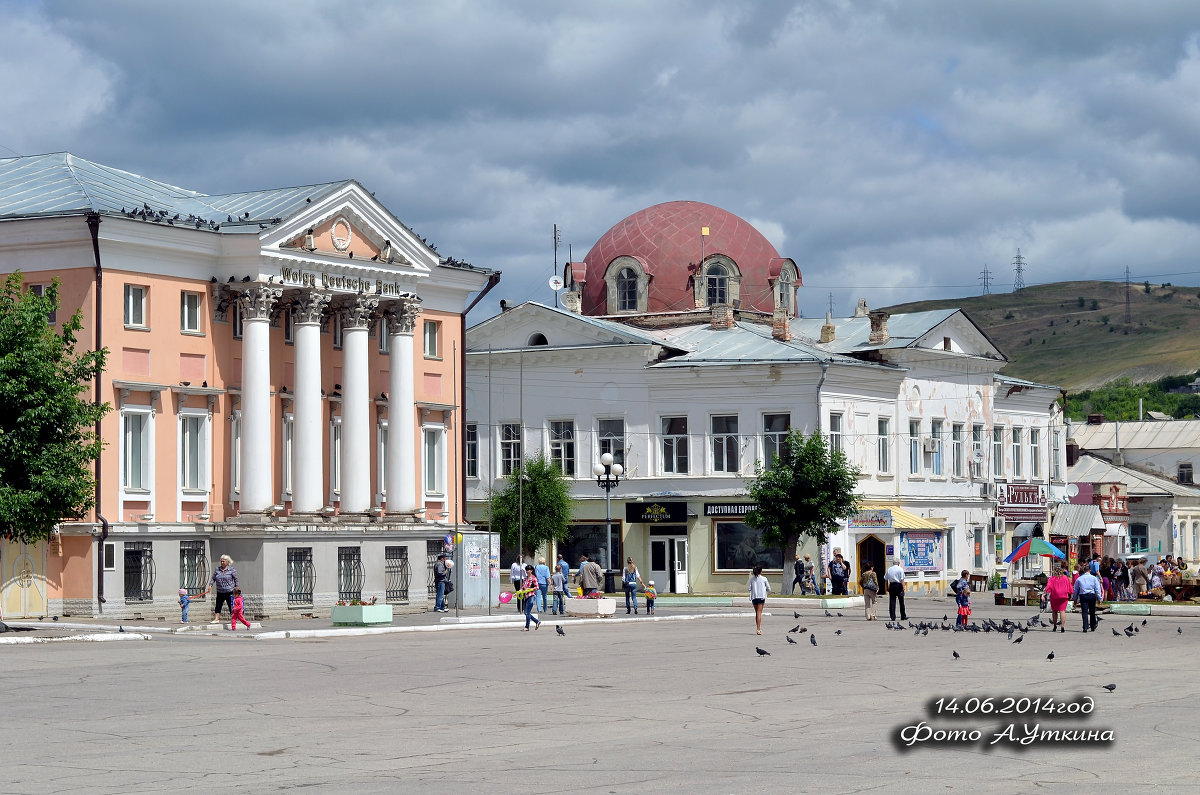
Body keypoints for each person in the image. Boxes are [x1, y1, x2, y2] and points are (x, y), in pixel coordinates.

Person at [1073, 564, 1103, 632]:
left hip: (1083, 596)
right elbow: (1097, 589)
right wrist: (1099, 598)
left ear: (1084, 570)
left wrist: (1075, 598)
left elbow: (1076, 589)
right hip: (1092, 595)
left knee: (1084, 612)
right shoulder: (1094, 578)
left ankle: (1085, 627)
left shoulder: (1079, 579)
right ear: (1090, 570)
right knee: (1092, 612)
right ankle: (1092, 626)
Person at [208, 555, 238, 623]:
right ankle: (216, 619)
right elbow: (213, 578)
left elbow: (236, 579)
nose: (222, 562)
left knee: (231, 605)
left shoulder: (231, 570)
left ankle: (233, 619)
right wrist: (210, 585)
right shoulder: (217, 569)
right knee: (218, 605)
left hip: (229, 591)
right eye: (221, 561)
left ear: (227, 562)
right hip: (220, 591)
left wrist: (236, 588)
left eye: (223, 561)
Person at [1044, 567, 1072, 633]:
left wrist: (1044, 593)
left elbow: (1048, 587)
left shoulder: (1052, 579)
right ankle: (1062, 626)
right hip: (1064, 596)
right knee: (1062, 611)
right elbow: (1069, 586)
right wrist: (1070, 593)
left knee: (1054, 611)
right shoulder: (1065, 578)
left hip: (1054, 596)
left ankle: (1054, 625)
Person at [748, 564, 771, 635]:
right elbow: (769, 588)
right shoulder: (764, 578)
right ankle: (758, 629)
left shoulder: (752, 579)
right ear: (761, 571)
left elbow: (749, 588)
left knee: (757, 613)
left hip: (754, 597)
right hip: (761, 597)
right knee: (759, 613)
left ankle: (758, 627)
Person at [884, 557, 907, 622]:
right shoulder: (900, 569)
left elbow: (886, 579)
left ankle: (892, 617)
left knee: (892, 601)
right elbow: (902, 579)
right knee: (901, 601)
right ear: (898, 563)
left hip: (892, 585)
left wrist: (887, 587)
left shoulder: (889, 569)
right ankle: (903, 616)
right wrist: (903, 588)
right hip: (899, 585)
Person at [520, 564, 541, 631]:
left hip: (531, 596)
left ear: (531, 570)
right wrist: (519, 591)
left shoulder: (534, 578)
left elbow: (537, 587)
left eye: (528, 570)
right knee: (526, 612)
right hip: (526, 596)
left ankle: (527, 627)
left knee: (527, 612)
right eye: (526, 570)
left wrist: (529, 589)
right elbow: (523, 587)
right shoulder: (525, 578)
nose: (527, 571)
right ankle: (536, 621)